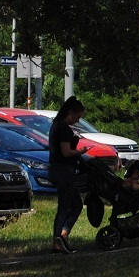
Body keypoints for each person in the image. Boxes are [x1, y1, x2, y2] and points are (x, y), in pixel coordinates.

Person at [48, 96, 90, 254]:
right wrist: (81, 151)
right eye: (78, 116)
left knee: (75, 205)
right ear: (70, 112)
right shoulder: (63, 128)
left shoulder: (55, 126)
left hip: (57, 169)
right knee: (66, 207)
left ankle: (62, 236)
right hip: (64, 170)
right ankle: (58, 241)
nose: (78, 120)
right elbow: (66, 152)